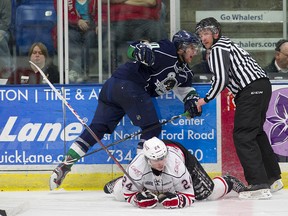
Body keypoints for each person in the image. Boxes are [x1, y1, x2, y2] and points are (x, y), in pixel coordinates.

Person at [49, 30, 202, 190]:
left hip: (113, 87)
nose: (195, 52)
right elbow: (133, 48)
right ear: (180, 48)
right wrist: (139, 50)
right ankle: (139, 176)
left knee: (97, 129)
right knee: (152, 129)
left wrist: (191, 103)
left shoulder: (185, 73)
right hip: (128, 86)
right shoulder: (167, 49)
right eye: (192, 47)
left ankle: (65, 165)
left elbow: (185, 92)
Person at [194, 17, 283, 200]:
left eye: (206, 33)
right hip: (262, 85)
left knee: (243, 135)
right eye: (201, 34)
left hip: (250, 89)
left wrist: (204, 100)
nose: (203, 38)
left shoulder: (218, 49)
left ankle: (258, 184)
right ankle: (273, 178)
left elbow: (220, 80)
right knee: (256, 132)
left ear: (216, 32)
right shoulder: (227, 44)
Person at [103, 137, 245, 208]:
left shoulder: (176, 166)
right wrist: (137, 199)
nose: (161, 162)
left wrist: (178, 200)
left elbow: (189, 195)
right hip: (142, 171)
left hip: (181, 155)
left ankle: (228, 181)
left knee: (208, 194)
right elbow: (129, 194)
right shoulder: (136, 168)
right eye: (156, 159)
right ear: (147, 159)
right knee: (120, 194)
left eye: (163, 158)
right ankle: (120, 181)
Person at [53, 0, 98, 82]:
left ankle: (78, 71)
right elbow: (62, 12)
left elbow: (100, 12)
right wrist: (77, 21)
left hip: (91, 28)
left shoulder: (94, 1)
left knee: (90, 38)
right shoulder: (65, 1)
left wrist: (98, 24)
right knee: (71, 36)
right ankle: (78, 71)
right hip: (72, 27)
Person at [0, 0, 12, 79]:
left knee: (2, 41)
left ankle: (6, 75)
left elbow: (5, 22)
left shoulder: (5, 1)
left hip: (1, 30)